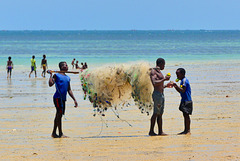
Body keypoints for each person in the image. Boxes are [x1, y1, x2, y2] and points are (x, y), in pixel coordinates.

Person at [48, 61, 78, 138]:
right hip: (57, 97)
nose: (67, 67)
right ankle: (59, 133)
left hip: (63, 99)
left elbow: (69, 90)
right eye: (66, 65)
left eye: (67, 65)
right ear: (62, 67)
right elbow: (50, 84)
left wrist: (74, 99)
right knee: (59, 114)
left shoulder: (68, 78)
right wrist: (51, 75)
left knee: (59, 115)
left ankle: (54, 133)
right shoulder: (56, 75)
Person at [149, 58, 171, 136]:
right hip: (157, 95)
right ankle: (151, 131)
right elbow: (154, 83)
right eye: (164, 64)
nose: (164, 66)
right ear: (160, 63)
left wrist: (165, 86)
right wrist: (164, 79)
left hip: (161, 94)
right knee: (155, 113)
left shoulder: (159, 72)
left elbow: (159, 85)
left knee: (160, 114)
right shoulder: (153, 71)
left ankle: (160, 131)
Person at [170, 68, 193, 135]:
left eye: (178, 74)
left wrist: (175, 85)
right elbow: (180, 91)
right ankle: (185, 130)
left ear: (182, 74)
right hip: (184, 99)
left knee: (186, 115)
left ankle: (187, 130)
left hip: (187, 100)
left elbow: (183, 90)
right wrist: (175, 86)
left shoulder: (184, 81)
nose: (177, 76)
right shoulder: (182, 81)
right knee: (185, 115)